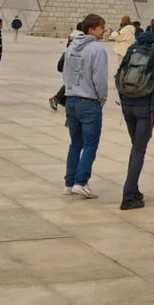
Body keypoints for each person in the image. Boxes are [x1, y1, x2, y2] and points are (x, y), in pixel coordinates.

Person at [116, 17, 154, 210]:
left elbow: (119, 73)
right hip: (145, 106)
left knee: (136, 147)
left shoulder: (134, 47)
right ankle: (128, 197)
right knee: (139, 150)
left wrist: (123, 97)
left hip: (128, 103)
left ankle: (134, 189)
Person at [62, 13, 109, 198]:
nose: (104, 31)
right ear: (91, 29)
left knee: (75, 143)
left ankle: (69, 182)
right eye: (101, 28)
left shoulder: (71, 46)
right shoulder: (97, 49)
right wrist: (101, 99)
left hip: (71, 98)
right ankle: (81, 182)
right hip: (88, 101)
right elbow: (100, 79)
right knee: (90, 144)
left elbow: (65, 72)